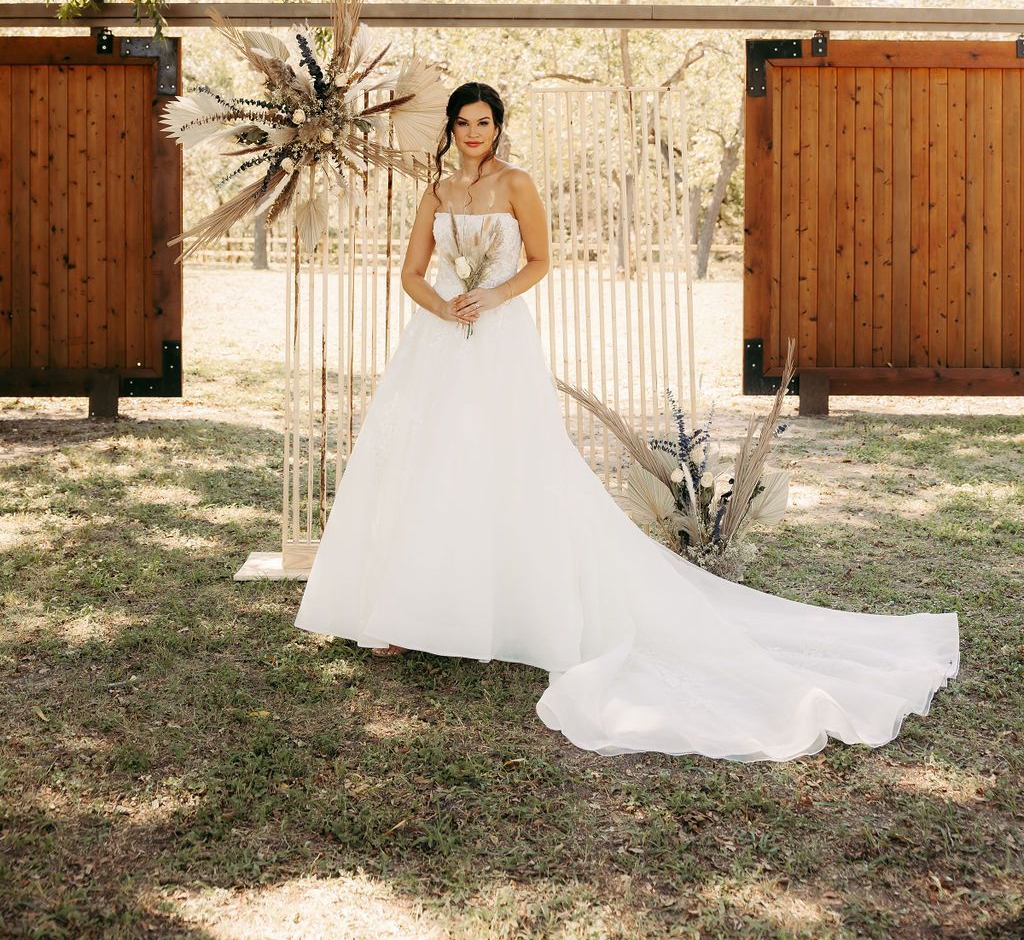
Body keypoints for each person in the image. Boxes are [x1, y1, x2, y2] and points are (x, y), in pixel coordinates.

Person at [294, 81, 960, 760]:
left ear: (498, 126)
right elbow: (411, 273)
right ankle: (412, 610)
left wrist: (489, 296)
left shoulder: (516, 184)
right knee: (430, 468)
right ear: (450, 128)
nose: (473, 133)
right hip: (438, 342)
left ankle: (506, 609)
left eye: (484, 122)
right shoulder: (435, 194)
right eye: (463, 122)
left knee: (506, 467)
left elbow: (541, 261)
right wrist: (445, 308)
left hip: (498, 341)